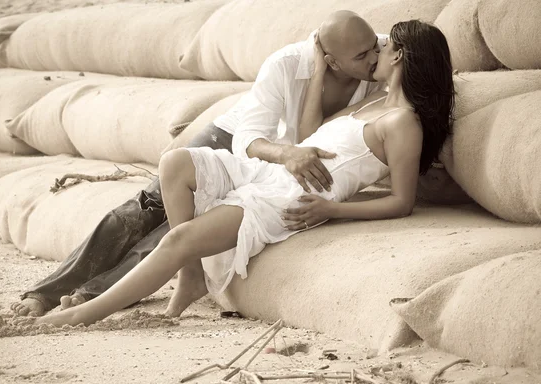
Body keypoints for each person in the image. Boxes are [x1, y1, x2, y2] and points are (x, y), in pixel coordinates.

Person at [32, 19, 455, 327]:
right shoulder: (368, 102)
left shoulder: (403, 123)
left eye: (381, 48)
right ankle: (192, 275)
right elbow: (308, 135)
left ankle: (84, 314)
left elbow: (402, 202)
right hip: (266, 168)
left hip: (284, 198)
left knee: (178, 237)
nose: (374, 53)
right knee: (174, 162)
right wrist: (319, 71)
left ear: (398, 55)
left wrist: (332, 209)